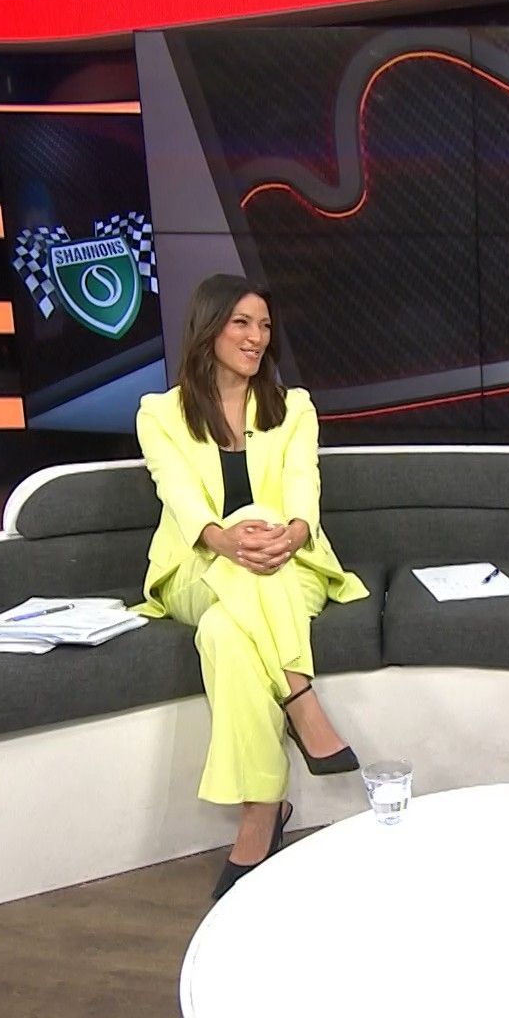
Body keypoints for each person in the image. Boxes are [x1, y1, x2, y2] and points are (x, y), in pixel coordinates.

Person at [134, 273, 370, 900]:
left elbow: (302, 484)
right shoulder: (161, 414)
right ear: (209, 328)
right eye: (241, 322)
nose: (256, 337)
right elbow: (178, 494)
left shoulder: (293, 408)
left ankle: (261, 813)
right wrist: (224, 538)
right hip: (196, 570)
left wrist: (293, 533)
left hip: (287, 568)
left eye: (264, 325)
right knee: (242, 534)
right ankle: (300, 698)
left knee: (224, 632)